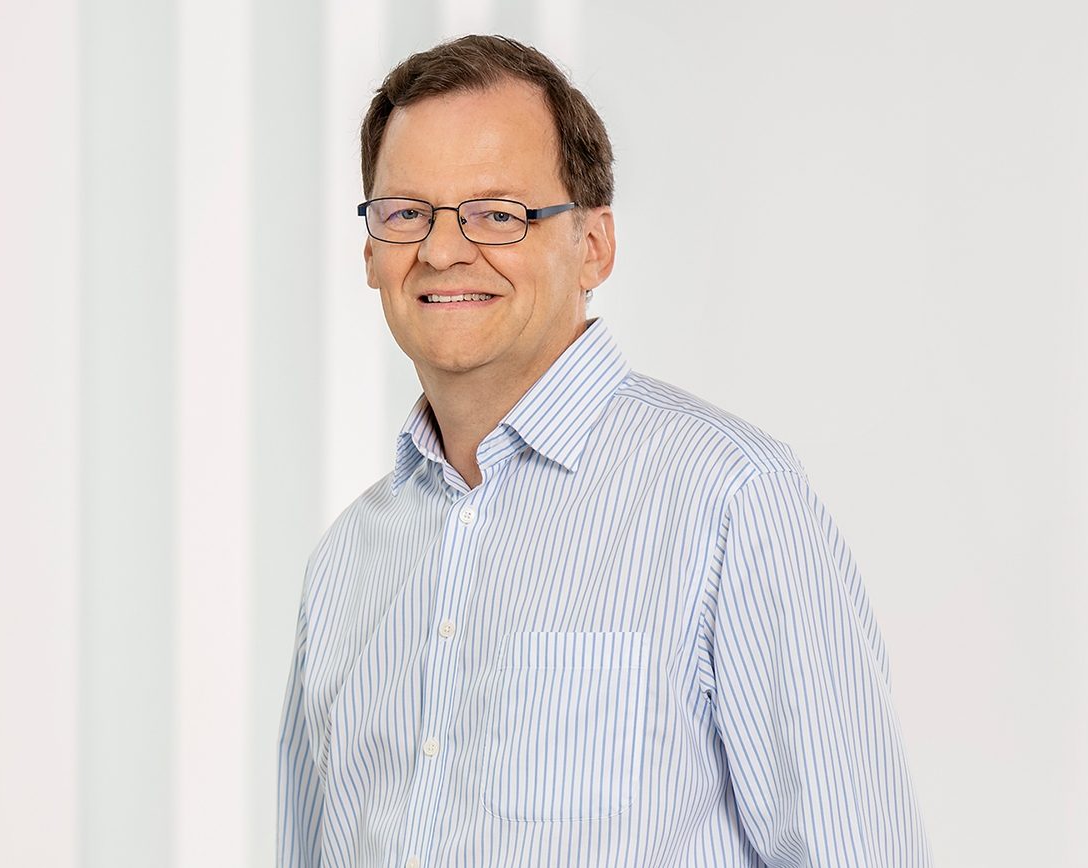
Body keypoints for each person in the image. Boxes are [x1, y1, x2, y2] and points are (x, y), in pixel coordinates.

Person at [277, 33, 932, 867]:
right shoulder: (345, 565)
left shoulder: (730, 500)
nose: (442, 249)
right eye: (406, 213)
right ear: (370, 251)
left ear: (593, 245)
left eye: (496, 213)